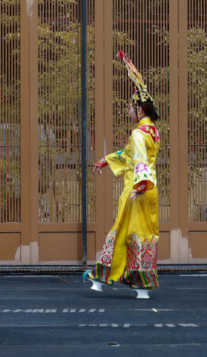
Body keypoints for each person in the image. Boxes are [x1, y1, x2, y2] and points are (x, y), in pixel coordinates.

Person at [84, 51, 162, 298]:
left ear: (139, 109)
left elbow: (138, 160)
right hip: (149, 190)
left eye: (130, 107)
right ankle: (133, 283)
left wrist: (139, 186)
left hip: (138, 190)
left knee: (123, 233)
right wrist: (106, 161)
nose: (128, 111)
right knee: (142, 235)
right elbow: (129, 154)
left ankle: (103, 276)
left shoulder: (138, 134)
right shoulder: (153, 131)